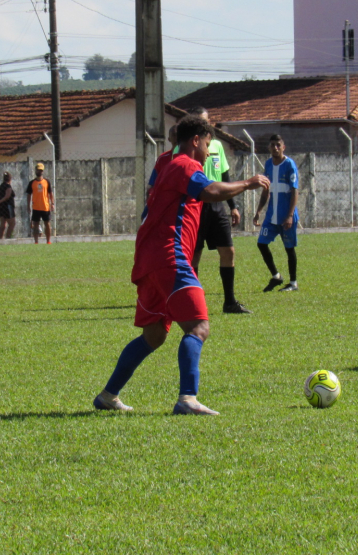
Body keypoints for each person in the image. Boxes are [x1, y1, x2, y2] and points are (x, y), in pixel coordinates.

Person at [93, 115, 270, 415]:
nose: (209, 151)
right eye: (208, 145)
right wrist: (248, 183)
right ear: (196, 141)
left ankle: (108, 395)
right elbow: (210, 191)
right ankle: (187, 399)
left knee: (154, 335)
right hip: (168, 256)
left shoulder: (167, 166)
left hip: (150, 259)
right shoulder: (184, 164)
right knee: (199, 326)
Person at [186, 107, 251, 314]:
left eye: (206, 122)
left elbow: (225, 177)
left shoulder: (217, 146)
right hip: (196, 205)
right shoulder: (186, 148)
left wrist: (233, 206)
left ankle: (229, 302)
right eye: (199, 122)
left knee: (228, 251)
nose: (204, 126)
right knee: (194, 254)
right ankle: (192, 301)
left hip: (217, 205)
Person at [254, 134, 300, 292]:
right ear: (269, 147)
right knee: (261, 244)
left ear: (283, 147)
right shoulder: (268, 164)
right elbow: (266, 190)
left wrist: (289, 215)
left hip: (285, 216)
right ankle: (276, 276)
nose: (275, 148)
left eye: (278, 145)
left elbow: (295, 191)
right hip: (271, 216)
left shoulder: (289, 165)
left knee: (289, 249)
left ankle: (293, 283)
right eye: (272, 144)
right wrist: (259, 211)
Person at [26, 162, 55, 244]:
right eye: (38, 170)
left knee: (47, 224)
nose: (40, 172)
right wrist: (28, 206)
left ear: (43, 171)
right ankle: (36, 241)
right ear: (36, 170)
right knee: (35, 225)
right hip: (36, 207)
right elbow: (28, 195)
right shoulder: (32, 183)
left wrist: (52, 203)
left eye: (41, 170)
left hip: (45, 207)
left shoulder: (47, 182)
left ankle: (48, 241)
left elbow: (50, 194)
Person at [0, 171, 16, 240]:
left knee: (3, 224)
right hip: (7, 207)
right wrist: (0, 201)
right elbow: (7, 196)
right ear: (10, 179)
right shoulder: (8, 186)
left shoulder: (0, 187)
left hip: (0, 207)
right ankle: (8, 238)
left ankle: (0, 238)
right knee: (12, 223)